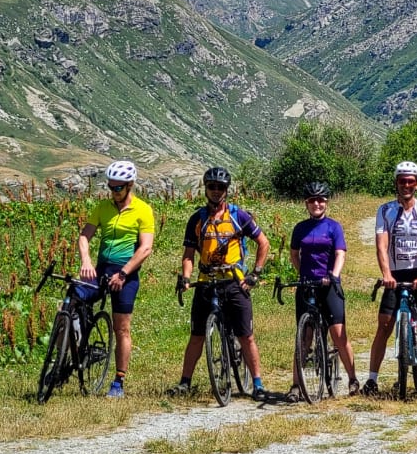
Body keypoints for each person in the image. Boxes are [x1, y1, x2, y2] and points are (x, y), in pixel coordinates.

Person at [168, 166, 270, 401]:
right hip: (206, 282)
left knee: (246, 336)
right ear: (205, 189)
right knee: (197, 335)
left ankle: (257, 384)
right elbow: (188, 254)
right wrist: (185, 277)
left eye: (220, 187)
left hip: (234, 282)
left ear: (227, 190)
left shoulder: (238, 216)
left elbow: (263, 243)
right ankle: (185, 382)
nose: (215, 191)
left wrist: (255, 273)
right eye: (211, 187)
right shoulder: (197, 219)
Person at [362, 161, 417, 396]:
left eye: (411, 181)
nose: (406, 185)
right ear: (396, 183)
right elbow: (381, 246)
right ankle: (371, 380)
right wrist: (386, 274)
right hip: (395, 274)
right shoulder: (385, 210)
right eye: (402, 181)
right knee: (384, 325)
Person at [78, 160, 154, 398]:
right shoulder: (102, 207)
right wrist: (86, 261)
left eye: (118, 188)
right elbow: (84, 236)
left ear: (130, 186)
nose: (114, 192)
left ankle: (118, 381)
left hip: (126, 272)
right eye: (111, 187)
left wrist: (123, 273)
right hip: (100, 268)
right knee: (71, 302)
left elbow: (145, 248)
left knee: (121, 328)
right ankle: (67, 357)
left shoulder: (143, 210)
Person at [285, 182, 360, 403]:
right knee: (303, 337)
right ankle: (296, 385)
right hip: (307, 285)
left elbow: (340, 254)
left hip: (329, 285)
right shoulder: (300, 228)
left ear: (326, 202)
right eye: (312, 200)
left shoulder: (333, 227)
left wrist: (334, 275)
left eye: (321, 200)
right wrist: (303, 275)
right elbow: (294, 255)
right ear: (306, 204)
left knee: (338, 334)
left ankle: (353, 379)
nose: (316, 203)